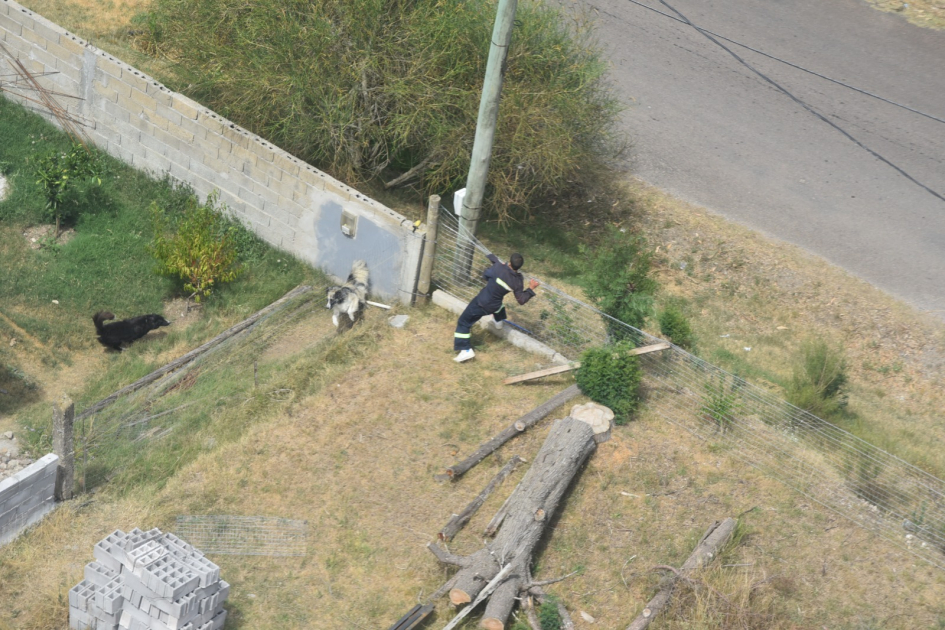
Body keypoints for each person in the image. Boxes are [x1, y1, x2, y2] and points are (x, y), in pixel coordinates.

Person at [453, 252, 540, 362]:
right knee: (498, 305)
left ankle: (466, 350)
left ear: (509, 262)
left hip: (481, 303)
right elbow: (521, 300)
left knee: (463, 322)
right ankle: (498, 321)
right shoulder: (518, 280)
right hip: (494, 305)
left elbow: (485, 275)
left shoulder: (498, 268)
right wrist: (531, 288)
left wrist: (496, 264)